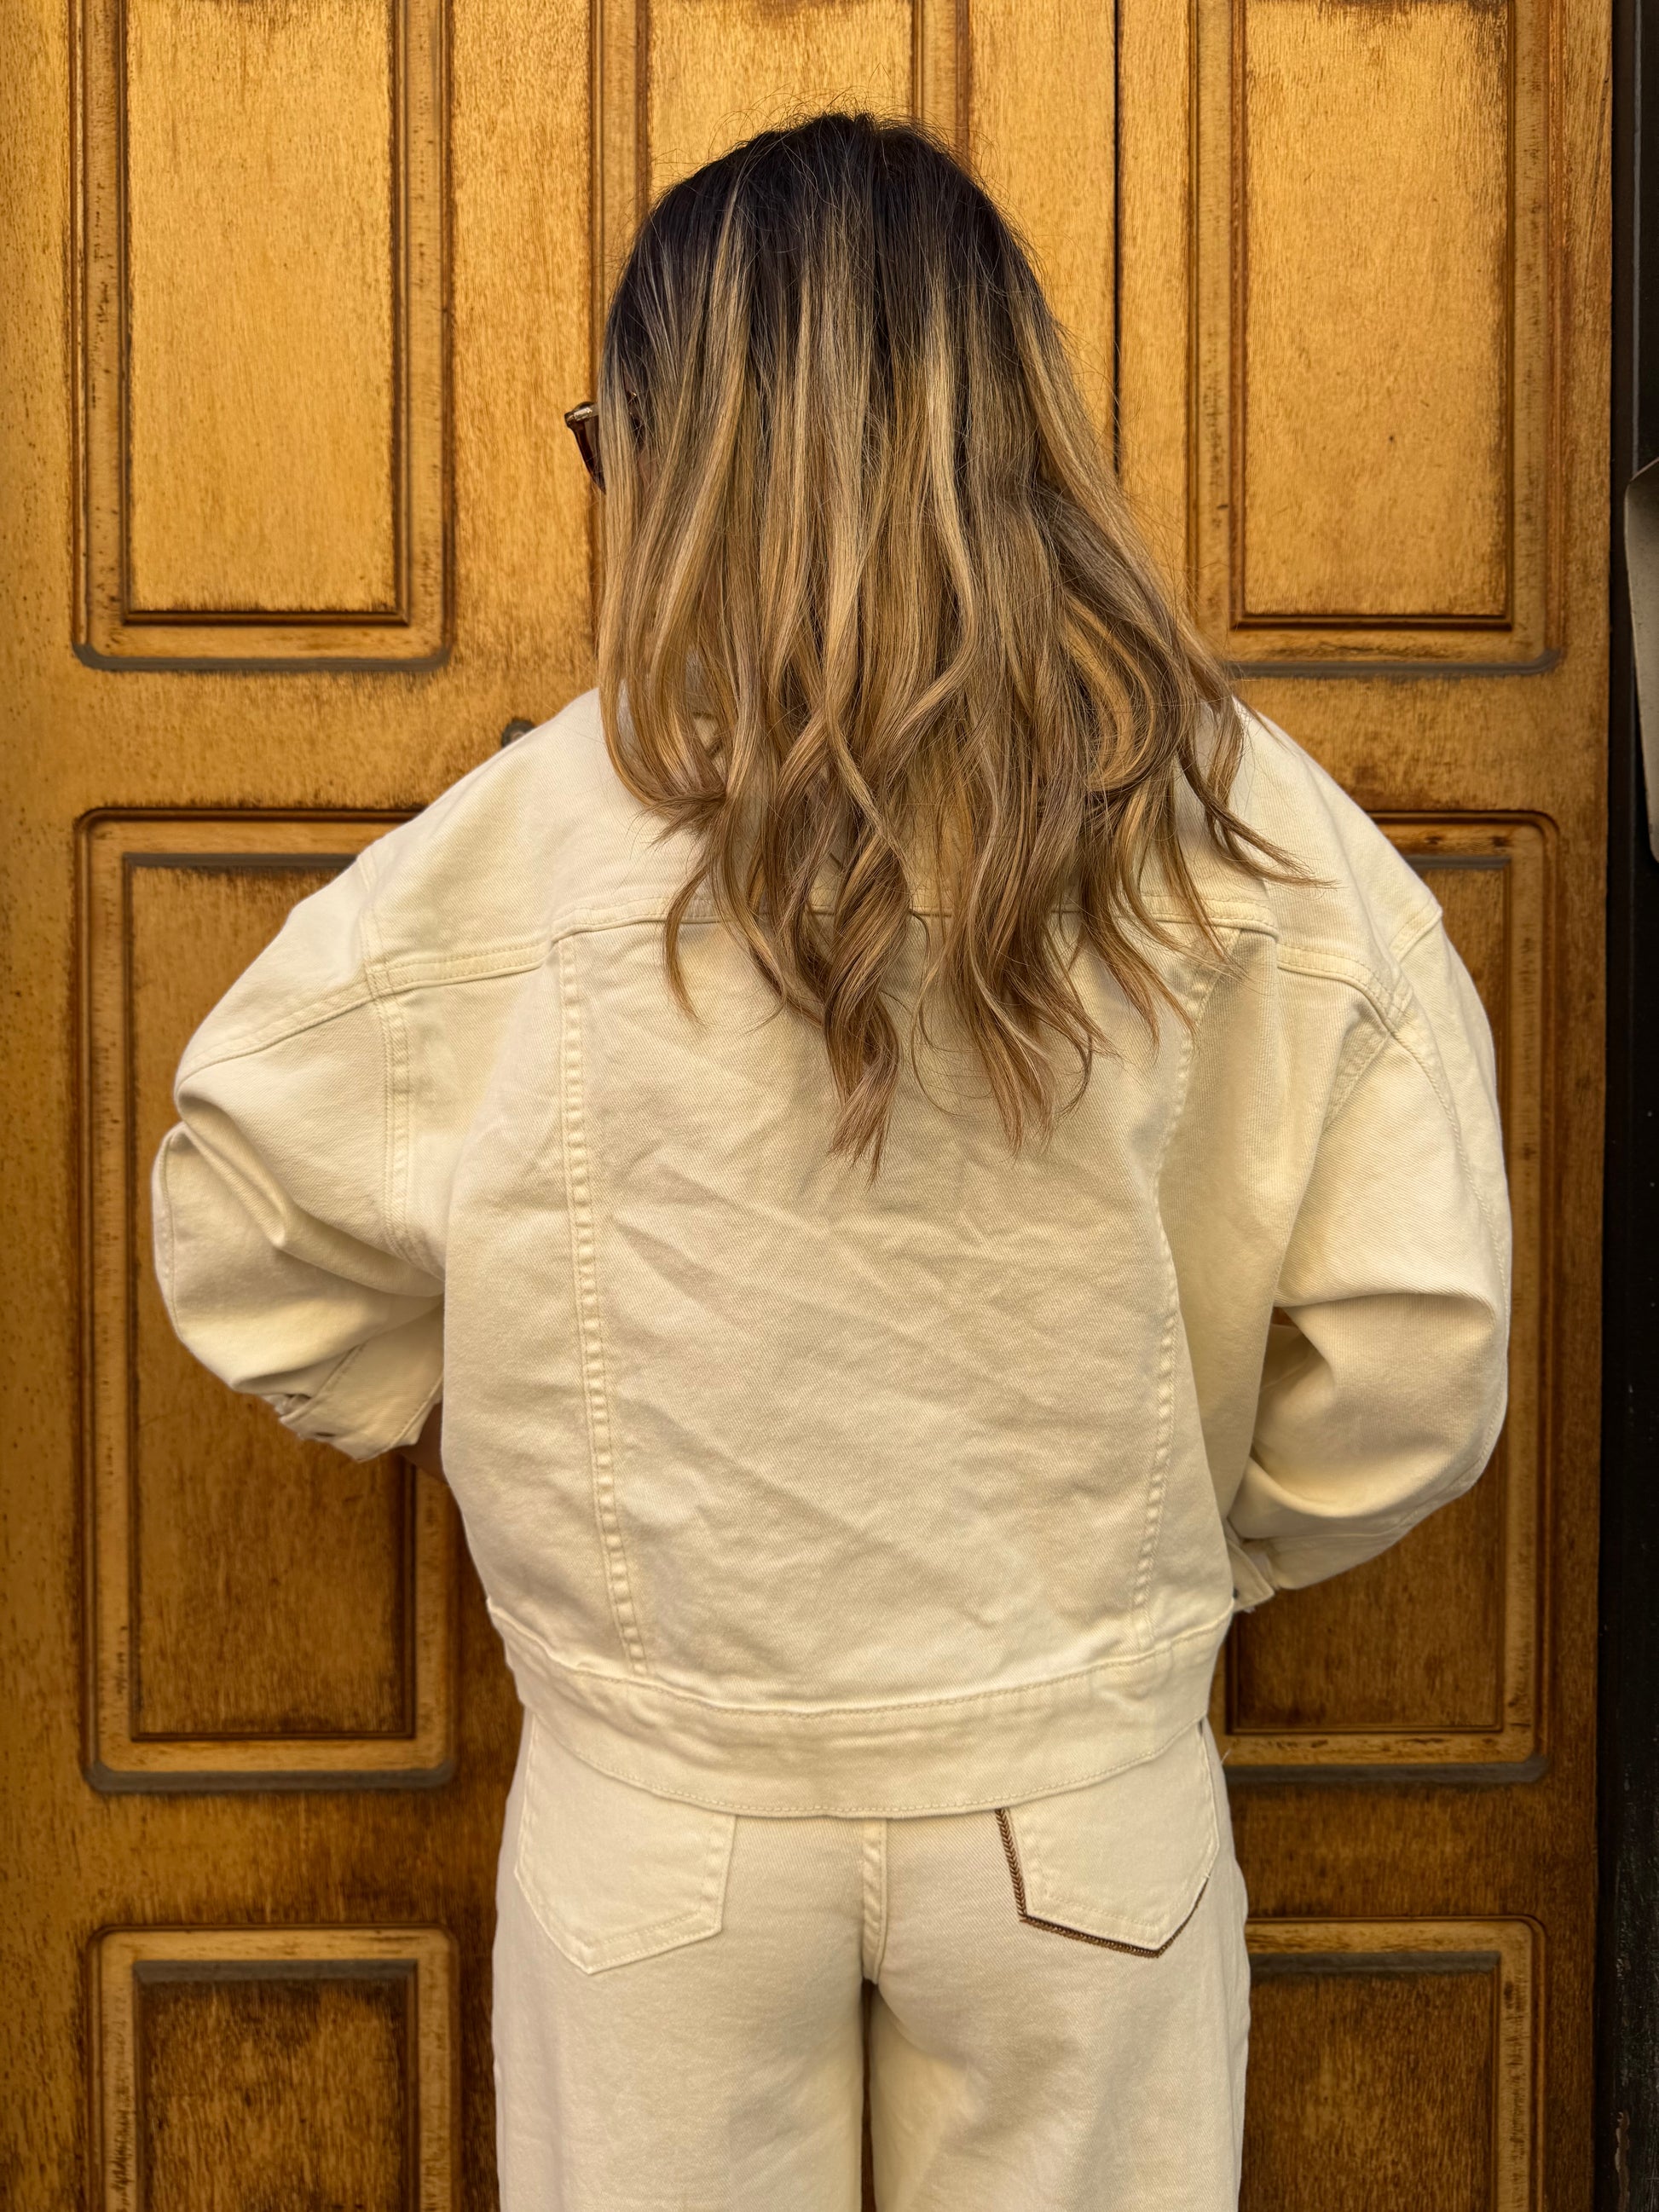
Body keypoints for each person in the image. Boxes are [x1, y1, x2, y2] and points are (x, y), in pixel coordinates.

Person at [151, 112, 1511, 2212]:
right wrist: (1184, 1565)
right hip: (1080, 1807)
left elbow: (242, 1223)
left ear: (676, 451)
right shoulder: (1248, 828)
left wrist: (500, 1391)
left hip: (660, 1816)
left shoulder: (529, 840)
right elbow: (1416, 1345)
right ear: (1016, 424)